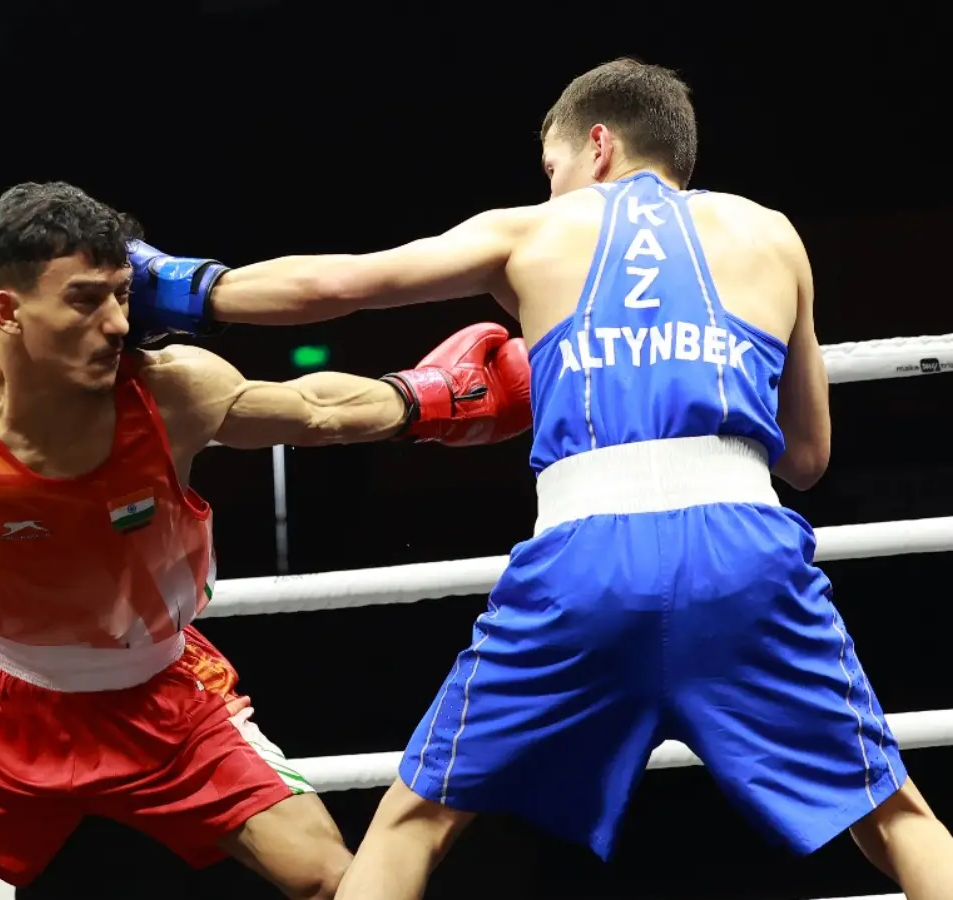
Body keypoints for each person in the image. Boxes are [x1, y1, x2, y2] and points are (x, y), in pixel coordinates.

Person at [189, 58, 953, 899]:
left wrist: (177, 288)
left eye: (551, 170)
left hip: (585, 563)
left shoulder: (532, 232)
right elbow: (808, 459)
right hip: (746, 554)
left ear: (597, 145)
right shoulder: (772, 232)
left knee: (414, 823)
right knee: (896, 817)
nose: (550, 189)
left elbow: (332, 285)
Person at [0, 181, 531, 900]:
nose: (118, 324)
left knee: (331, 879)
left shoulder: (172, 390)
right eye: (86, 301)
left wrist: (423, 398)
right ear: (8, 311)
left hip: (165, 700)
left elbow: (311, 408)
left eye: (124, 296)